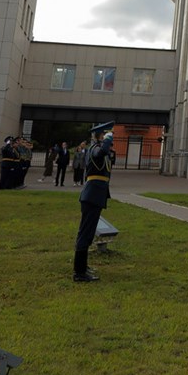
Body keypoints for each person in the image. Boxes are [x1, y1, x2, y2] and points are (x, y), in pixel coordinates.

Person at [73, 121, 114, 282]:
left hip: (95, 195)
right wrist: (108, 139)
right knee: (86, 233)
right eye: (106, 135)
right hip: (92, 195)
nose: (109, 140)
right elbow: (101, 152)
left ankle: (82, 266)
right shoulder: (96, 148)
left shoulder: (99, 148)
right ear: (100, 136)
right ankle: (79, 272)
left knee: (88, 234)